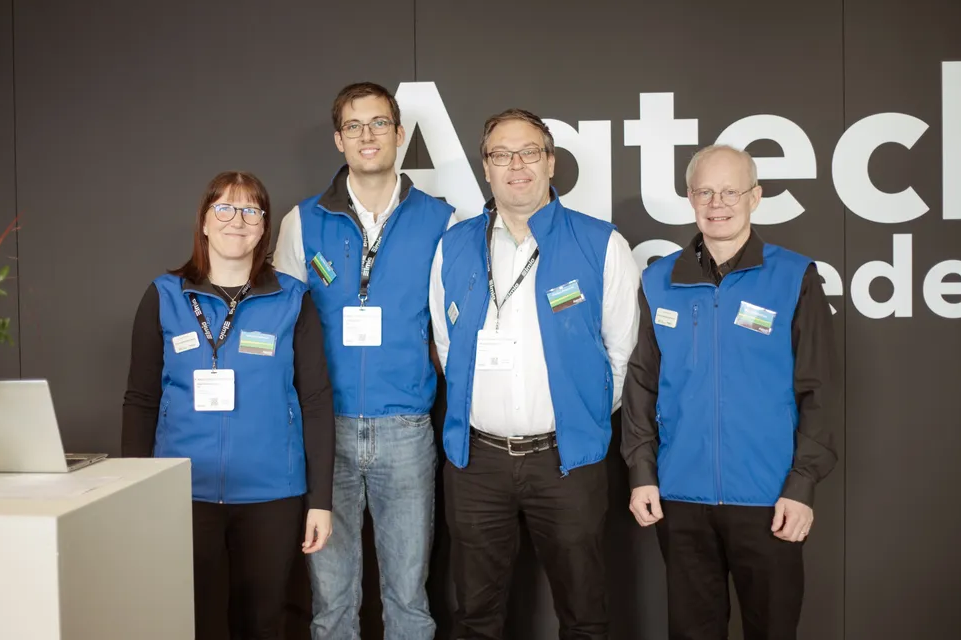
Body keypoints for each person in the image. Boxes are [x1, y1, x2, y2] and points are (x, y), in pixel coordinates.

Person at [429, 108, 640, 639]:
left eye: (528, 153)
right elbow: (447, 343)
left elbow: (623, 352)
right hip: (476, 464)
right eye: (501, 155)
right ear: (486, 167)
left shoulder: (601, 243)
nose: (515, 165)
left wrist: (580, 415)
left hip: (566, 461)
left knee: (584, 614)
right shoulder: (453, 246)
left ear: (550, 162)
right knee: (475, 615)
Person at [620, 144, 840, 639]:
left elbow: (819, 390)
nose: (717, 203)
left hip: (768, 499)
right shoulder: (658, 280)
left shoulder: (794, 277)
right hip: (680, 497)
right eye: (704, 191)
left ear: (755, 197)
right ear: (690, 198)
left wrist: (802, 486)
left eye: (730, 191)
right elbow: (641, 384)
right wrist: (641, 471)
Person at [273, 82, 455, 639]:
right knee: (331, 603)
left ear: (400, 135)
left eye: (379, 123)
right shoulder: (301, 223)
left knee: (408, 599)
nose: (367, 135)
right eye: (354, 126)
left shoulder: (443, 220)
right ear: (338, 139)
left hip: (406, 431)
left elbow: (453, 330)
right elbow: (283, 334)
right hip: (326, 436)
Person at [121, 171, 334, 640]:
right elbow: (141, 401)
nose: (237, 220)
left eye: (251, 211)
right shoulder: (164, 296)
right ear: (202, 221)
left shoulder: (292, 300)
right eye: (224, 208)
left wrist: (320, 501)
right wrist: (134, 492)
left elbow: (316, 402)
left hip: (272, 495)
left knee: (263, 624)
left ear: (264, 227)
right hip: (183, 494)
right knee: (192, 622)